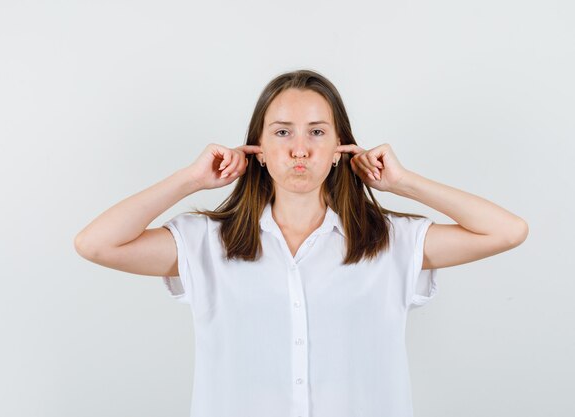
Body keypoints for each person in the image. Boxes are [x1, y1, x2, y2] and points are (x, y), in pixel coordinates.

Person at [74, 69, 528, 417]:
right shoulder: (205, 243)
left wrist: (403, 183)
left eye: (317, 132)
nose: (299, 148)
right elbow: (96, 245)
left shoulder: (391, 242)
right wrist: (191, 179)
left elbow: (507, 231)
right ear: (258, 149)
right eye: (282, 131)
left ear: (339, 150)